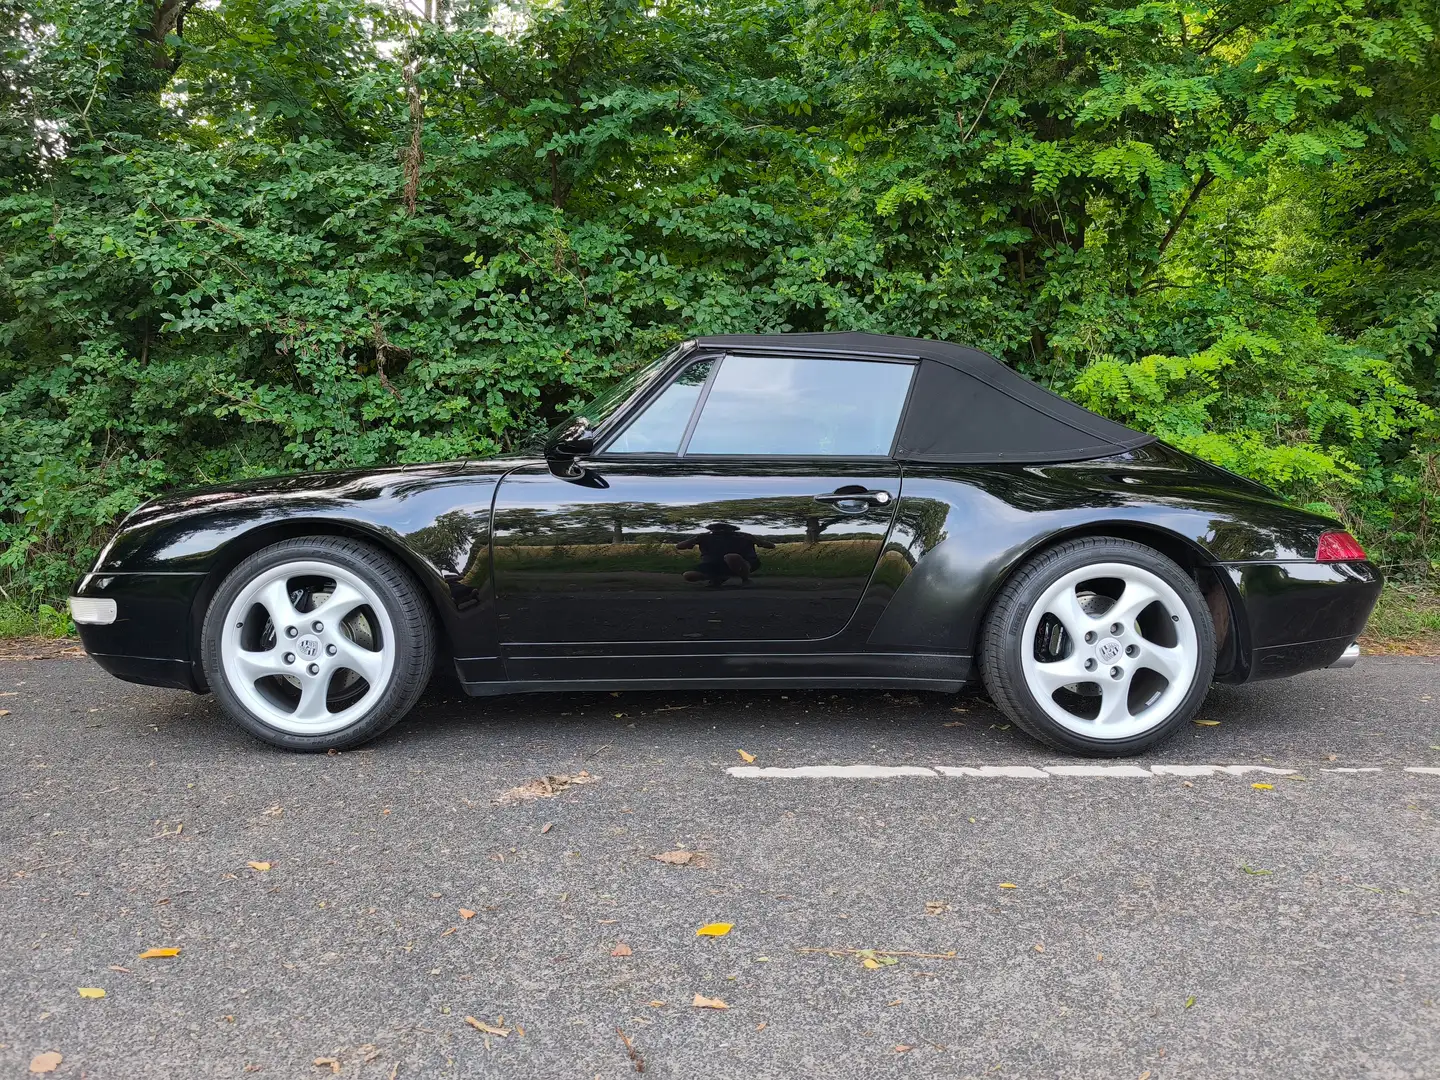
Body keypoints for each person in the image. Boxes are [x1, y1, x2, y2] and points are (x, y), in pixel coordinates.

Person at [675, 522, 775, 585]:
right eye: (717, 529)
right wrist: (694, 540)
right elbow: (679, 546)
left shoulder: (744, 536)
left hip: (743, 563)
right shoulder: (704, 537)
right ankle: (718, 577)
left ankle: (745, 579)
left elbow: (771, 546)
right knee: (689, 575)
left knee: (731, 557)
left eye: (723, 529)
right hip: (714, 565)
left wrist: (757, 541)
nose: (720, 532)